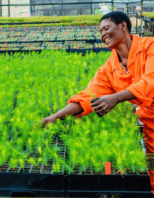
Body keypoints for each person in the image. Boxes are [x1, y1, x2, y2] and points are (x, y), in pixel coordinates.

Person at [41, 11, 154, 193]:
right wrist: (55, 117)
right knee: (151, 171)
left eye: (106, 28)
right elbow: (89, 96)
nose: (103, 35)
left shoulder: (150, 47)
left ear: (123, 26)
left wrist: (116, 97)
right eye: (100, 31)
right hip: (149, 124)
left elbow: (151, 81)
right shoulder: (109, 68)